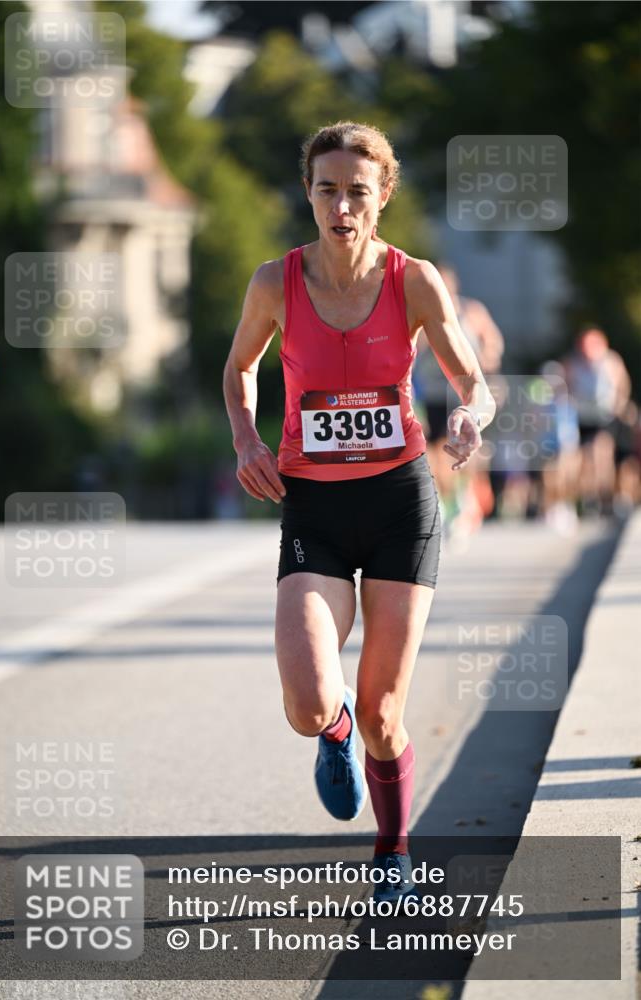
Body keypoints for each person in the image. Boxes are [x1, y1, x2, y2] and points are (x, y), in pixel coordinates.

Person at [223, 122, 495, 902]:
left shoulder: (413, 281)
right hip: (310, 501)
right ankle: (332, 736)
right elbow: (239, 369)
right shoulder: (275, 282)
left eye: (356, 192)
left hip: (398, 503)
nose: (340, 205)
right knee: (311, 702)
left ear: (381, 199)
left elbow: (471, 380)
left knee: (382, 710)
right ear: (308, 194)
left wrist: (472, 415)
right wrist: (246, 438)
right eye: (325, 190)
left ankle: (392, 848)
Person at [413, 264, 503, 545]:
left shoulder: (471, 311)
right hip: (434, 391)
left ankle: (465, 499)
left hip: (461, 391)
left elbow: (494, 341)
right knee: (435, 450)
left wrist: (487, 361)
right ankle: (444, 502)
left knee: (463, 448)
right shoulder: (423, 310)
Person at [563, 326, 631, 515]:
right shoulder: (573, 363)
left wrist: (620, 403)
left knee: (602, 454)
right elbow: (565, 385)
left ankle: (606, 496)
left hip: (605, 415)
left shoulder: (611, 361)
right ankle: (588, 496)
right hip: (583, 415)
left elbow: (623, 382)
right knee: (585, 458)